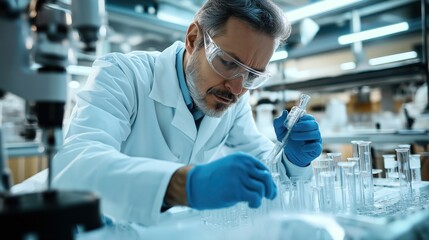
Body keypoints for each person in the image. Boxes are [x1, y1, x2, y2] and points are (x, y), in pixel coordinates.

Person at [52, 0, 322, 226]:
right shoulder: (123, 74)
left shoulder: (234, 99)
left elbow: (261, 170)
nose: (238, 88)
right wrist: (184, 185)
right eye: (227, 62)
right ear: (193, 39)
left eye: (252, 75)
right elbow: (77, 164)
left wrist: (292, 160)